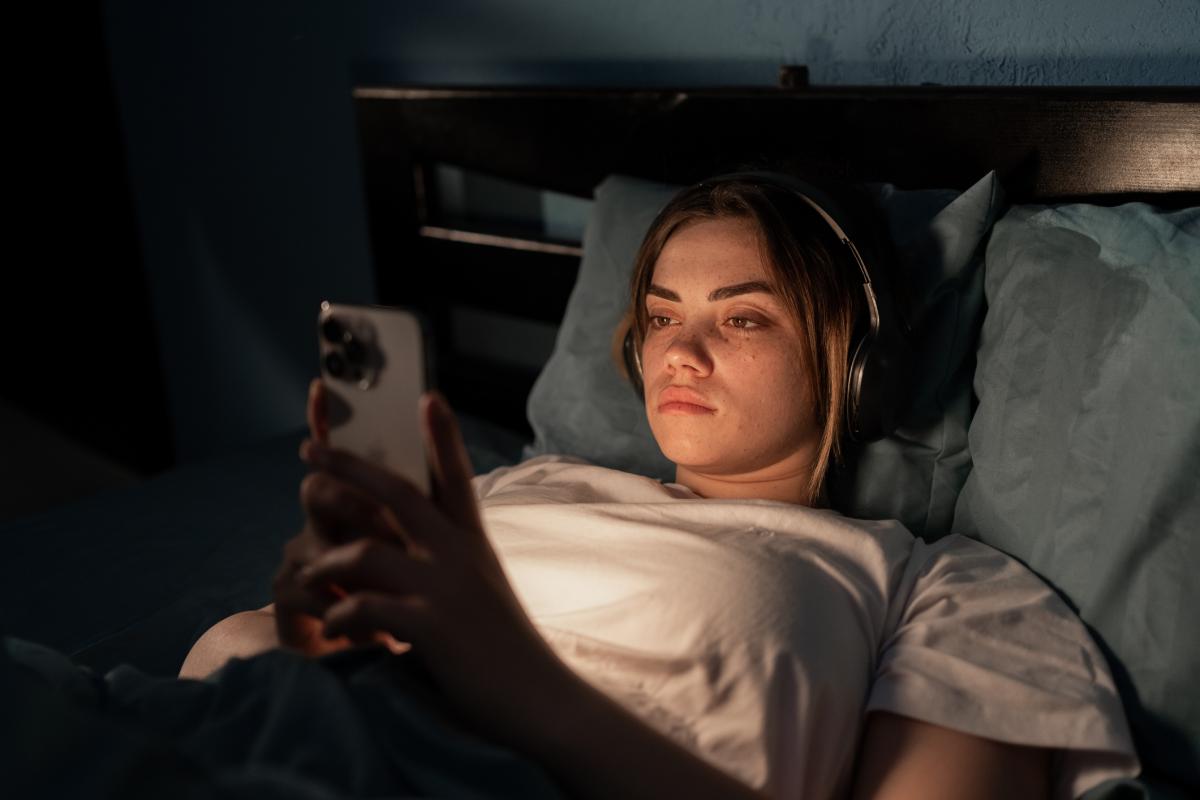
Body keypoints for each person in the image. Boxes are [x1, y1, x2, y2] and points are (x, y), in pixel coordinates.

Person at [180, 176, 1138, 800]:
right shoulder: (528, 484)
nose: (679, 351)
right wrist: (313, 629)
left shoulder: (940, 588)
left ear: (854, 370)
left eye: (745, 319)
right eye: (660, 315)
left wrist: (503, 669)